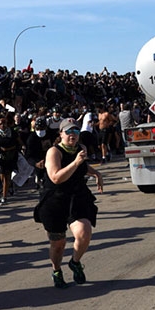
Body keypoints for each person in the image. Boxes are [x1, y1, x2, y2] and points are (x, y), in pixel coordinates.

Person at [36, 118, 104, 288]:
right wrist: (76, 162)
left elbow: (82, 167)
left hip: (77, 196)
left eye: (76, 131)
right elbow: (56, 177)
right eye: (68, 131)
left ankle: (75, 262)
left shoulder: (80, 148)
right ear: (61, 134)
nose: (72, 135)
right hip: (55, 200)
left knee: (84, 232)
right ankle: (56, 270)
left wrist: (96, 173)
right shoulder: (54, 152)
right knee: (58, 244)